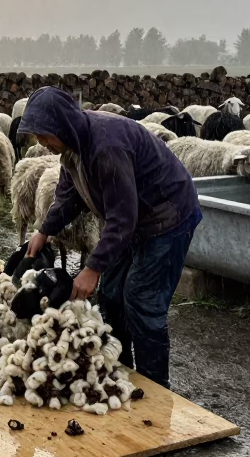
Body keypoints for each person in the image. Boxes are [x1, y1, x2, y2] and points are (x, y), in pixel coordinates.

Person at [18, 87, 202, 388]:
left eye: (44, 135)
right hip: (132, 217)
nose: (41, 143)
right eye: (36, 136)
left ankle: (154, 386)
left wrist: (91, 269)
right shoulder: (72, 147)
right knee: (112, 294)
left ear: (61, 125)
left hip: (166, 217)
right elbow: (68, 195)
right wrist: (45, 230)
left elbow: (122, 218)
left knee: (141, 300)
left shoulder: (106, 147)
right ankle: (120, 366)